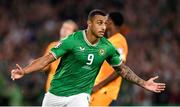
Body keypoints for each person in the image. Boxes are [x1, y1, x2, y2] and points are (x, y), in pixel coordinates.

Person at [11, 9, 166, 107]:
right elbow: (46, 60)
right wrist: (24, 71)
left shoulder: (107, 47)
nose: (104, 27)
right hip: (56, 94)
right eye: (99, 23)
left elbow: (122, 70)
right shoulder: (72, 40)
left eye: (105, 23)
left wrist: (143, 83)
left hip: (80, 95)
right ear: (89, 24)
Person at [90, 11, 128, 106]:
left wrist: (98, 86)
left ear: (110, 22)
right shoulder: (107, 42)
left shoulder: (119, 41)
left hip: (105, 91)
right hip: (96, 90)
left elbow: (120, 69)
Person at [43, 20, 78, 92]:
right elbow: (45, 67)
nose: (64, 30)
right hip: (51, 88)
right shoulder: (52, 46)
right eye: (63, 27)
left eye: (68, 29)